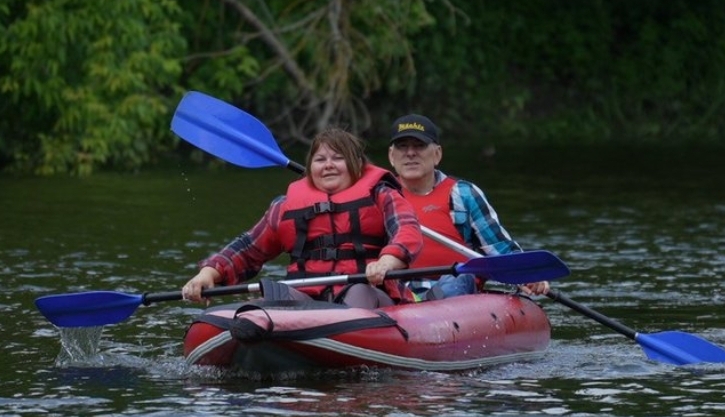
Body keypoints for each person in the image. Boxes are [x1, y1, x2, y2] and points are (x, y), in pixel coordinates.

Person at [182, 127, 423, 309]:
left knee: (359, 293)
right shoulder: (285, 206)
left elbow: (406, 231)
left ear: (357, 165)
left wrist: (386, 263)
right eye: (320, 160)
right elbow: (248, 248)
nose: (328, 165)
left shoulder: (382, 194)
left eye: (338, 158)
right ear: (311, 168)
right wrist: (208, 274)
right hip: (306, 295)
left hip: (368, 294)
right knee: (272, 297)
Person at [386, 114, 550, 299]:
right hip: (398, 290)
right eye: (402, 146)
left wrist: (528, 273)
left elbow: (500, 248)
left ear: (437, 154)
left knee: (459, 278)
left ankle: (430, 305)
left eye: (419, 146)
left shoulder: (463, 194)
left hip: (454, 289)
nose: (410, 153)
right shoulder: (380, 197)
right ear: (392, 156)